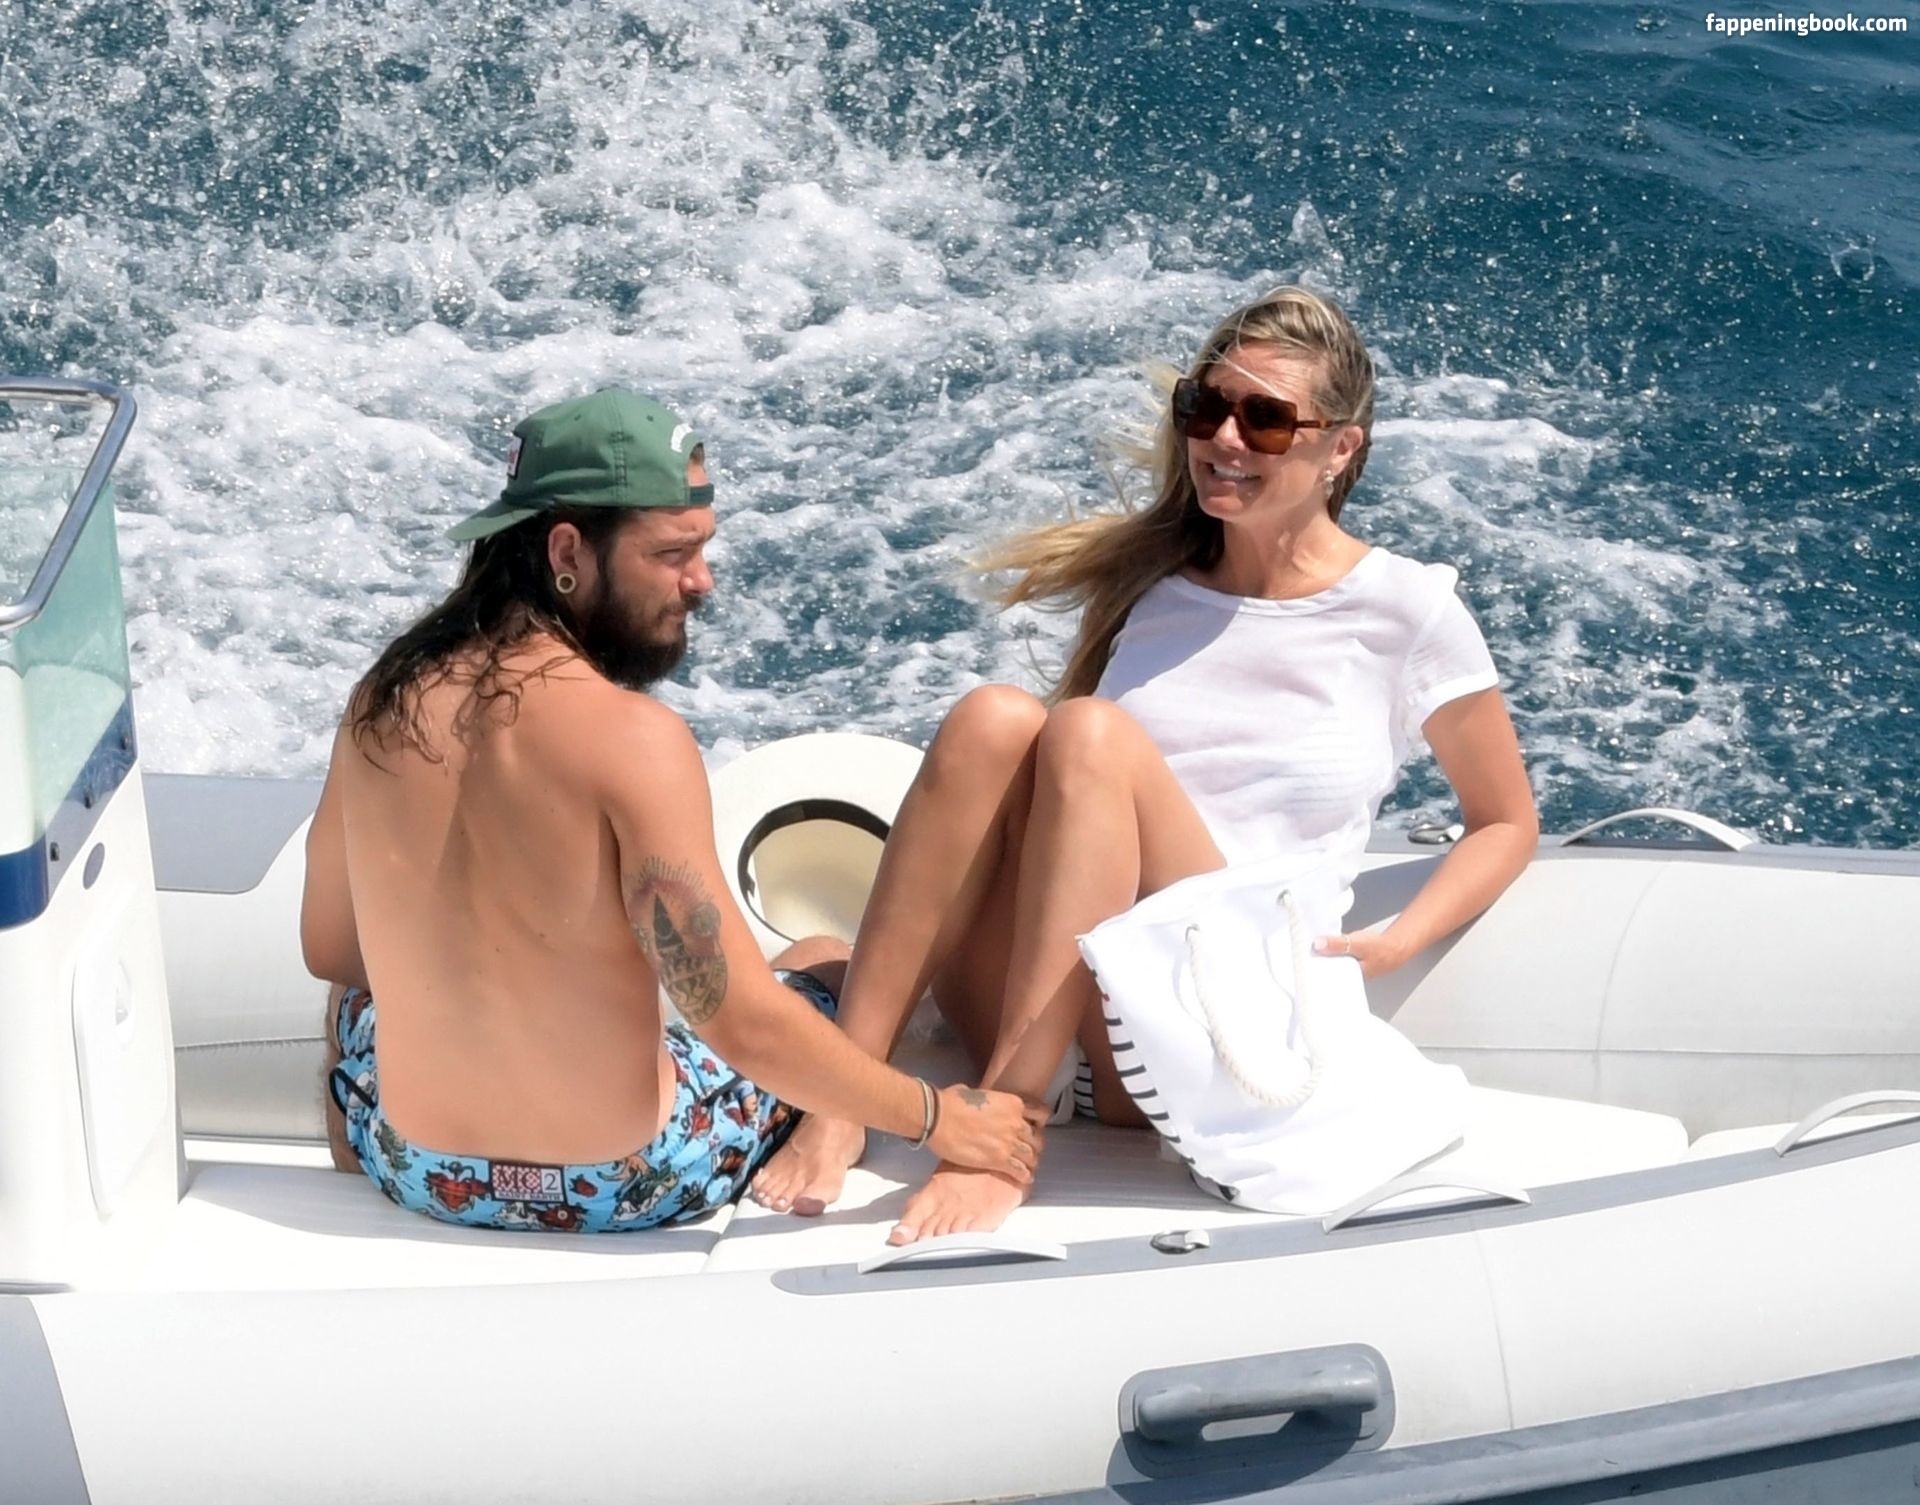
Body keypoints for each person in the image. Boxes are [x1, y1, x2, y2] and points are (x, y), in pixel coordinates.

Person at [749, 286, 1539, 1243]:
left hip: (1207, 1023)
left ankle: (1004, 1133)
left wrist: (1401, 938)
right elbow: (1066, 814)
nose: (1225, 437)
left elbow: (1505, 819)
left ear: (1341, 448)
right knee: (995, 719)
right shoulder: (1153, 587)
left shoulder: (1407, 610)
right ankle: (843, 1094)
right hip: (1052, 1011)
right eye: (1205, 407)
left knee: (1088, 732)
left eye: (1266, 418)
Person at [301, 388, 1041, 1233]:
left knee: (356, 1003)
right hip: (622, 1184)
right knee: (825, 961)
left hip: (423, 1170)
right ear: (568, 550)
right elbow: (740, 1022)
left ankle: (363, 1167)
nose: (702, 581)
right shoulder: (630, 738)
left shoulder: (381, 700)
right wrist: (937, 1117)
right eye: (673, 553)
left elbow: (331, 948)